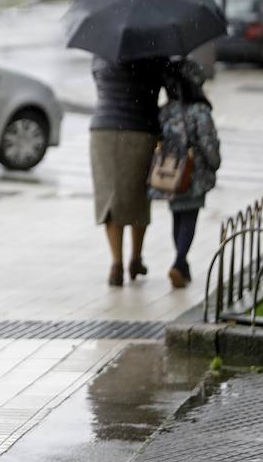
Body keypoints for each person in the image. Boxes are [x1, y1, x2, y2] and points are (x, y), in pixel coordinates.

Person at [90, 55, 166, 286]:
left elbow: (99, 83)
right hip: (140, 128)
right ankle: (135, 258)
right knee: (138, 196)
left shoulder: (101, 54)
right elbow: (162, 85)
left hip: (103, 129)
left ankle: (116, 263)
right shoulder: (152, 54)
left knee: (110, 197)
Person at [151, 59, 221, 288]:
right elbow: (208, 144)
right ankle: (179, 262)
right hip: (193, 174)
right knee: (189, 217)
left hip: (170, 174)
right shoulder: (199, 111)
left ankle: (182, 265)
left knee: (177, 216)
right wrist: (214, 163)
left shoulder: (166, 111)